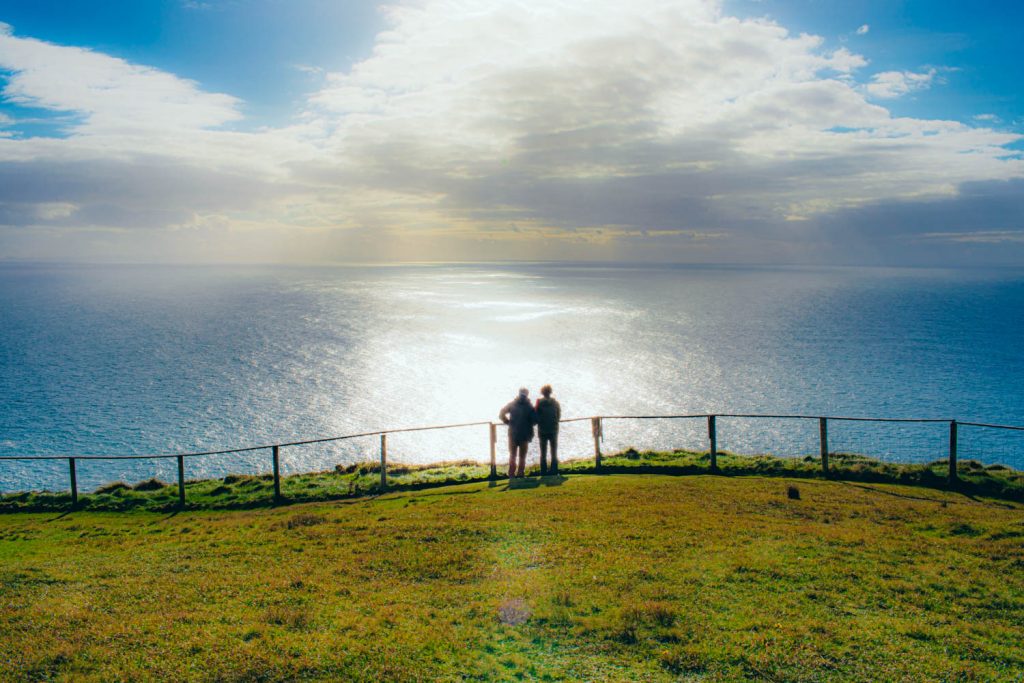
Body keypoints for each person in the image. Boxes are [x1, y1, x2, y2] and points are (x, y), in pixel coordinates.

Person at [499, 387, 537, 478]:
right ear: (527, 394)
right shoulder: (529, 406)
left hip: (513, 434)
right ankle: (520, 473)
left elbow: (501, 414)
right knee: (522, 456)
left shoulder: (512, 404)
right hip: (524, 435)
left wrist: (508, 422)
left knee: (512, 455)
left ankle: (511, 474)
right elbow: (535, 420)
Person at [535, 384, 561, 475]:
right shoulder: (555, 402)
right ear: (550, 392)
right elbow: (558, 415)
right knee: (554, 451)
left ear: (542, 392)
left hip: (542, 430)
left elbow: (535, 415)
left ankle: (543, 471)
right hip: (553, 429)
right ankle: (554, 470)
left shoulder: (539, 402)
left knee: (543, 452)